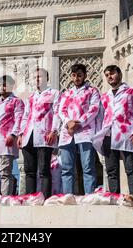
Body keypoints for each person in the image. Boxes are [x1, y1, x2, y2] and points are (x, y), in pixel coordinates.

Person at [93, 65, 133, 203]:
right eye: (107, 75)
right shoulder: (105, 96)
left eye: (112, 73)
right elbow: (100, 117)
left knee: (130, 168)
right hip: (108, 135)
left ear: (120, 74)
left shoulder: (132, 91)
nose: (110, 77)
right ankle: (114, 198)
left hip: (126, 134)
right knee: (111, 170)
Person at [57, 64, 100, 194]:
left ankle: (89, 196)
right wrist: (68, 122)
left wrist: (79, 123)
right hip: (67, 133)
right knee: (66, 169)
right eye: (74, 75)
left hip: (85, 132)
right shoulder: (66, 93)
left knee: (87, 167)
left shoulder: (92, 91)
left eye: (79, 75)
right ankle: (68, 196)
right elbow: (61, 110)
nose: (77, 78)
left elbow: (94, 109)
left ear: (85, 76)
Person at [18, 67, 60, 199]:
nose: (37, 79)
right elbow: (25, 116)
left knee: (43, 170)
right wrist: (20, 134)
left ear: (47, 79)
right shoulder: (31, 97)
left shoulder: (54, 93)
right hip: (28, 135)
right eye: (35, 77)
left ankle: (45, 198)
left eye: (40, 76)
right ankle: (31, 198)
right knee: (29, 171)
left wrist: (54, 131)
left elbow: (57, 112)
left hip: (44, 135)